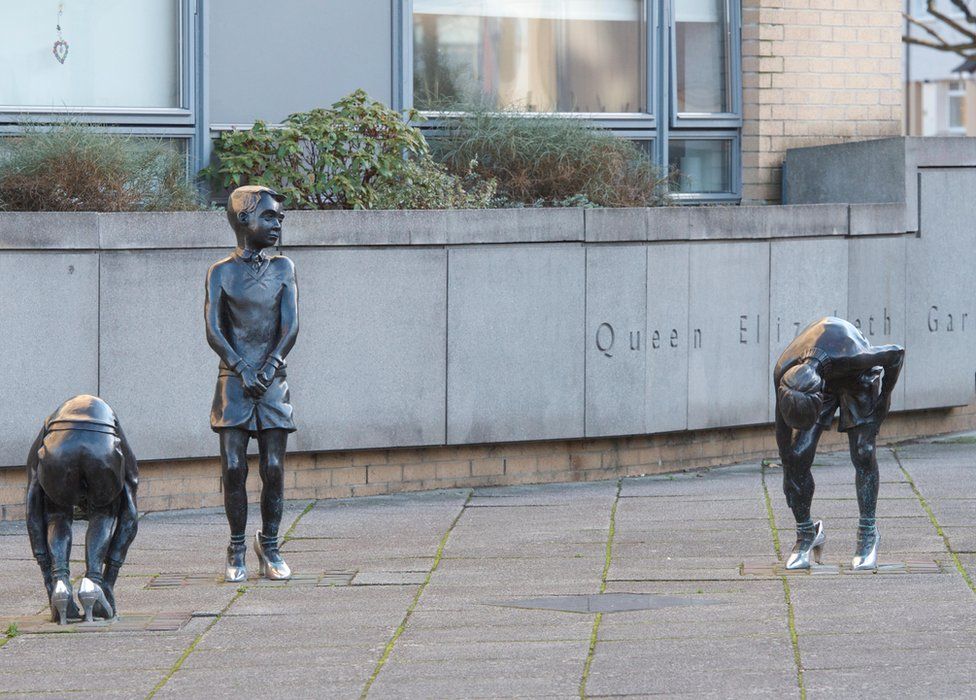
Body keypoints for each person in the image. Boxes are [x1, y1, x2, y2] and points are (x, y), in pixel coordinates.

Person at [205, 185, 298, 582]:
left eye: (280, 218)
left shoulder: (284, 268)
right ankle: (237, 546)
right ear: (244, 220)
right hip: (235, 380)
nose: (278, 223)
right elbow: (213, 328)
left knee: (274, 468)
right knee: (233, 467)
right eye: (270, 216)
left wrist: (272, 363)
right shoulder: (221, 272)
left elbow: (291, 324)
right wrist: (242, 368)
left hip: (273, 381)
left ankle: (271, 543)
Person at [773, 317, 904, 571]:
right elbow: (782, 429)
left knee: (863, 451)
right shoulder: (784, 372)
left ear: (819, 394)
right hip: (817, 381)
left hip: (857, 376)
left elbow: (896, 354)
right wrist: (789, 469)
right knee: (797, 457)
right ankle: (807, 533)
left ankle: (868, 532)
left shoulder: (856, 355)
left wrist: (882, 403)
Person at [26, 395, 139, 623]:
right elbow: (130, 516)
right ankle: (94, 583)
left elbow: (32, 509)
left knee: (56, 512)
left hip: (58, 448)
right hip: (103, 448)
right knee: (105, 511)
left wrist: (49, 578)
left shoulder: (51, 421)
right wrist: (109, 580)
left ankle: (61, 582)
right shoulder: (110, 418)